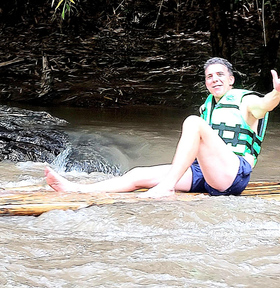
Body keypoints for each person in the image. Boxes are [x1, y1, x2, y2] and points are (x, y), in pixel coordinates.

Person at [46, 57, 280, 198]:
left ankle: (166, 187)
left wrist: (277, 93)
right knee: (138, 175)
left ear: (231, 80)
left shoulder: (246, 101)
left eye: (220, 75)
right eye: (209, 76)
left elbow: (265, 104)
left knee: (191, 122)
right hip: (205, 175)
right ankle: (75, 189)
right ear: (206, 83)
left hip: (232, 176)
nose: (215, 79)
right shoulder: (206, 108)